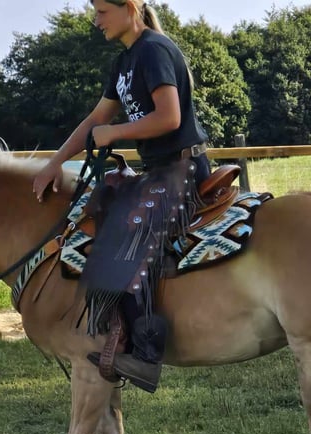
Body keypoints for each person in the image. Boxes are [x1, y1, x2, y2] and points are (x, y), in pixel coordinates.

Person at [32, 0, 210, 393]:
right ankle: (116, 330)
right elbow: (95, 120)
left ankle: (145, 352)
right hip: (158, 172)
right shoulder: (125, 62)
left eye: (101, 11)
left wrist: (116, 134)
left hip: (182, 170)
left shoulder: (154, 50)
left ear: (129, 7)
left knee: (126, 236)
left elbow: (170, 118)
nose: (96, 21)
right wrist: (54, 163)